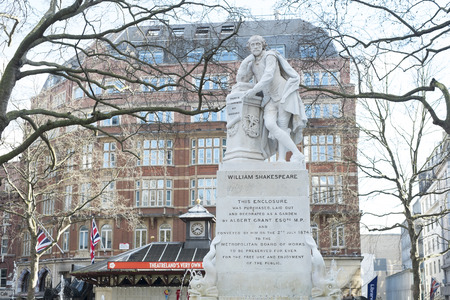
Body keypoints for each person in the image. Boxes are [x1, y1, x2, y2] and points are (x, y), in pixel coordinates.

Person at [236, 35, 307, 164]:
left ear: (263, 45)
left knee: (282, 126)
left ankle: (281, 159)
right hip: (269, 99)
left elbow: (268, 75)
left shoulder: (270, 56)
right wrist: (245, 61)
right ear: (249, 47)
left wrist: (253, 90)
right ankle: (297, 153)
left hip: (282, 95)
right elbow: (241, 80)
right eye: (253, 45)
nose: (256, 47)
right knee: (270, 124)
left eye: (258, 44)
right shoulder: (252, 63)